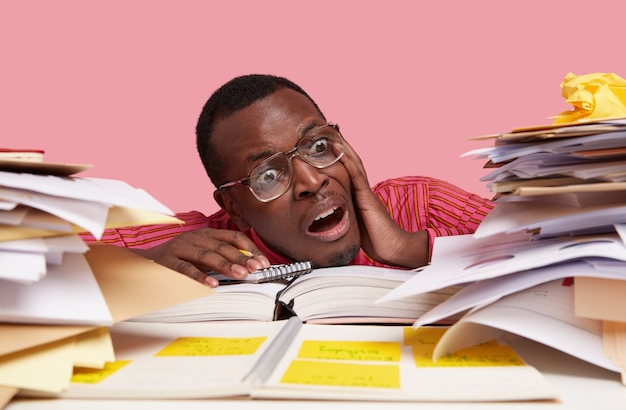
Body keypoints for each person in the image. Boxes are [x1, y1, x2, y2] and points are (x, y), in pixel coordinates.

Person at [82, 74, 495, 286]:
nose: (312, 182)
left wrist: (410, 247)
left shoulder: (421, 204)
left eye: (318, 146)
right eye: (267, 173)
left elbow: (554, 251)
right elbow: (27, 266)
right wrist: (146, 263)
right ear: (233, 207)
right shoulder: (194, 245)